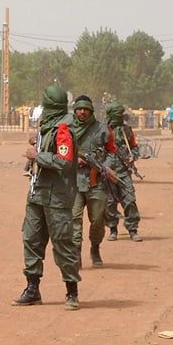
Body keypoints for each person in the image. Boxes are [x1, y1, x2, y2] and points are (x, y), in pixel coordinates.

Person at [13, 85, 81, 310]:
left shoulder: (63, 129)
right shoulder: (48, 127)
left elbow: (64, 161)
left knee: (63, 243)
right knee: (31, 240)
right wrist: (39, 142)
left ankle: (71, 292)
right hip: (37, 193)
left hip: (57, 197)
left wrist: (37, 155)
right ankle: (32, 288)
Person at [70, 95, 117, 268]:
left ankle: (95, 247)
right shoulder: (67, 129)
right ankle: (76, 254)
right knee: (74, 219)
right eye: (79, 109)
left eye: (85, 109)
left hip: (96, 182)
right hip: (73, 181)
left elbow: (112, 152)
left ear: (91, 110)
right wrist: (75, 161)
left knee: (97, 219)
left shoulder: (103, 129)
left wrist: (104, 167)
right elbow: (61, 151)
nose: (82, 112)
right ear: (74, 110)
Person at [105, 102, 143, 242]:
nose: (119, 117)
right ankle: (112, 229)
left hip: (123, 171)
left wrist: (133, 155)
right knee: (110, 203)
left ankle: (133, 229)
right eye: (117, 115)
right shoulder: (103, 131)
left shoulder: (126, 131)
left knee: (130, 200)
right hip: (108, 172)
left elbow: (134, 147)